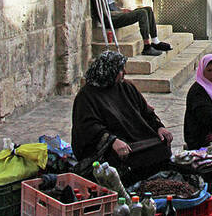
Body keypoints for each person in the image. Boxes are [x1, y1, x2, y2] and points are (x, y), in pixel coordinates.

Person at [72, 51, 173, 182]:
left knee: (160, 147)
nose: (124, 72)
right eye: (120, 69)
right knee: (120, 159)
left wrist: (159, 127)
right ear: (109, 71)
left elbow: (145, 111)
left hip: (133, 138)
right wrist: (112, 141)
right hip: (107, 145)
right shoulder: (87, 95)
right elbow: (88, 127)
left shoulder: (126, 87)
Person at [96, 0, 171, 57]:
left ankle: (155, 41)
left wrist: (123, 10)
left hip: (117, 15)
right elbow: (106, 13)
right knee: (142, 13)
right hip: (110, 20)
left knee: (148, 9)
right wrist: (122, 13)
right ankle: (146, 46)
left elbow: (113, 6)